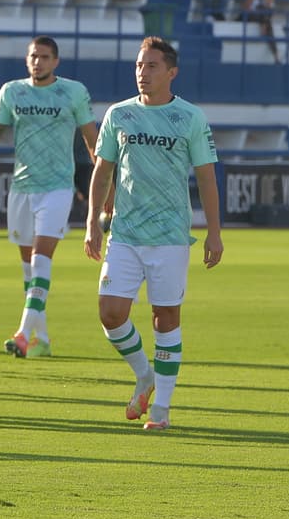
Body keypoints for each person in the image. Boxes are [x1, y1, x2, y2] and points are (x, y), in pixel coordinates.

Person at [84, 36, 223, 432]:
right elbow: (102, 170)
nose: (142, 73)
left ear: (171, 73)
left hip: (170, 236)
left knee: (166, 317)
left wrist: (214, 232)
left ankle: (161, 407)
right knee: (110, 313)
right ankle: (143, 373)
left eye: (151, 67)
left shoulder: (190, 118)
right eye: (139, 66)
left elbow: (207, 178)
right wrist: (93, 218)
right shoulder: (119, 114)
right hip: (125, 232)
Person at [0, 36, 97, 359]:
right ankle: (43, 338)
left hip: (57, 187)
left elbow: (91, 139)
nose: (37, 61)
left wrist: (104, 185)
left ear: (56, 61)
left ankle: (23, 334)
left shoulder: (73, 92)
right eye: (33, 56)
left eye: (44, 57)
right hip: (22, 188)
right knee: (29, 267)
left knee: (41, 258)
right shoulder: (12, 91)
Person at [238, 0, 281, 64]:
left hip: (264, 19)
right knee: (260, 9)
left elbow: (271, 13)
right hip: (252, 16)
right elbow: (246, 10)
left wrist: (266, 4)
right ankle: (276, 54)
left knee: (267, 18)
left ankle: (276, 56)